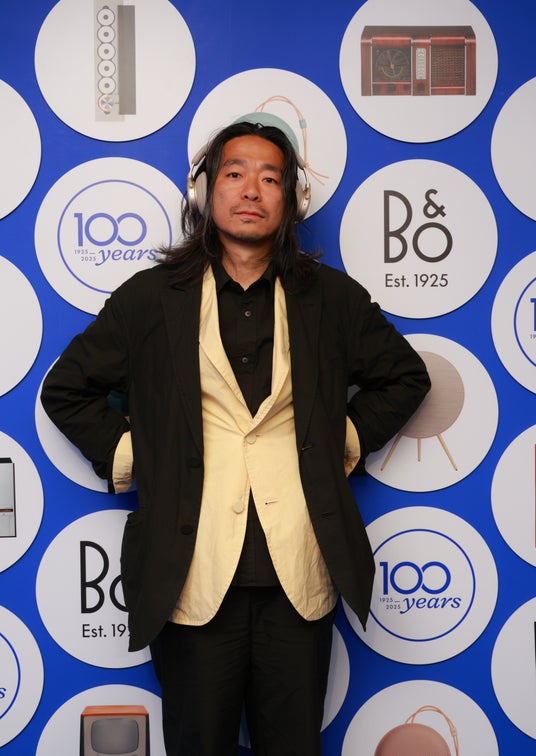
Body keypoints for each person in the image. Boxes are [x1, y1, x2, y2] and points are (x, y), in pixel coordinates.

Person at [40, 118, 430, 756]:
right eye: (235, 173)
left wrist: (339, 440)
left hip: (299, 577)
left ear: (291, 199)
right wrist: (145, 454)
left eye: (271, 178)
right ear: (205, 190)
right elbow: (66, 390)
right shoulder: (149, 298)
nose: (252, 189)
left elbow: (406, 378)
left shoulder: (331, 298)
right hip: (189, 578)